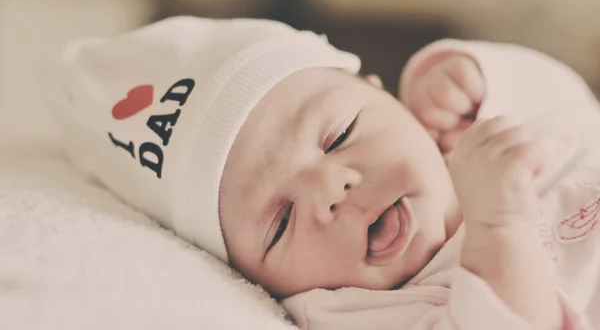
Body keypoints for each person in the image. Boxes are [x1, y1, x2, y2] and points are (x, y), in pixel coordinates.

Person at [47, 16, 600, 329]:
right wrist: (499, 227)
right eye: (280, 223)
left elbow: (576, 110)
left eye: (339, 135)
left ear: (385, 95)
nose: (329, 190)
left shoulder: (478, 137)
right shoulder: (356, 310)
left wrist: (474, 80)